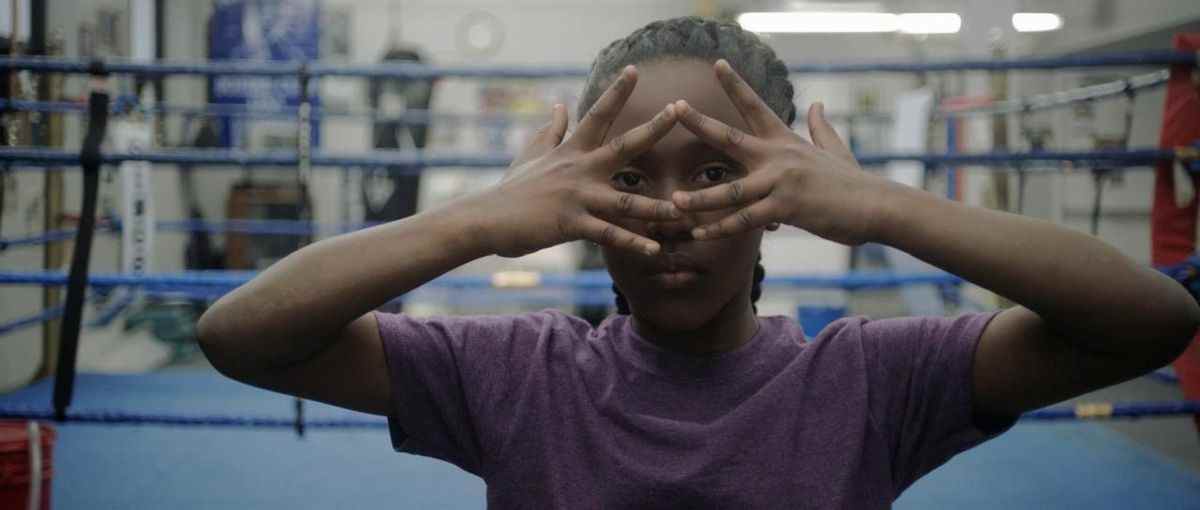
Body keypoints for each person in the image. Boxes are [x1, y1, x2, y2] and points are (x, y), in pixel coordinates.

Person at [196, 17, 1199, 508]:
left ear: (782, 199)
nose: (677, 210)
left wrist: (884, 206)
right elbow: (239, 334)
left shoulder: (865, 381)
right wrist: (478, 221)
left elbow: (1150, 318)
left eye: (719, 172)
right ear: (576, 199)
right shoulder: (518, 376)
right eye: (632, 177)